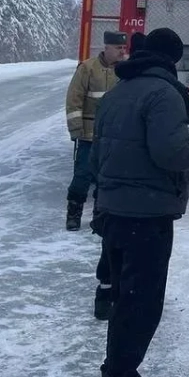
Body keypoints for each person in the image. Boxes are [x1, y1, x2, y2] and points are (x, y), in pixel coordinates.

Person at [90, 27, 189, 377]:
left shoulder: (118, 92)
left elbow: (96, 155)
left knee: (123, 298)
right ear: (173, 59)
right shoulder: (165, 94)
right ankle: (119, 373)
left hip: (114, 213)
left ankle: (114, 367)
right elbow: (170, 154)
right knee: (141, 305)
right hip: (146, 218)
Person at [90, 31, 151, 321]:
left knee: (111, 246)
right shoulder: (144, 87)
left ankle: (104, 296)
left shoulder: (118, 87)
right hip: (133, 191)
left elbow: (99, 145)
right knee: (134, 252)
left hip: (111, 184)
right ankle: (124, 302)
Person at [64, 30, 128, 231]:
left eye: (123, 48)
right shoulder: (87, 68)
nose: (122, 51)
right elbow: (74, 99)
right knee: (82, 177)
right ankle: (73, 214)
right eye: (118, 48)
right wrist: (76, 130)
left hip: (114, 137)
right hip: (88, 136)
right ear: (106, 47)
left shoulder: (126, 70)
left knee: (106, 179)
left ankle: (99, 217)